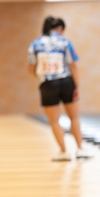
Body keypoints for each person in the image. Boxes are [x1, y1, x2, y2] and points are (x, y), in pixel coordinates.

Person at [27, 16, 91, 161]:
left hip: (47, 84)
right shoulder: (65, 42)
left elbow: (31, 68)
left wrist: (42, 77)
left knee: (54, 121)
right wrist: (76, 86)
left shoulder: (35, 44)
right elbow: (73, 65)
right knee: (74, 117)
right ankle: (80, 149)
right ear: (60, 28)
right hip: (66, 81)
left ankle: (63, 151)